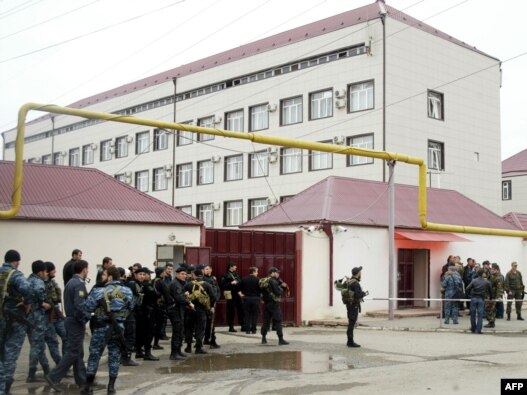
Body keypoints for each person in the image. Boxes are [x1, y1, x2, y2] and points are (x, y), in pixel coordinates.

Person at [83, 265, 134, 395]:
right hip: (119, 327)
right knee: (115, 355)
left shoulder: (98, 291)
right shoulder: (127, 291)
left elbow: (88, 308)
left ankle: (88, 387)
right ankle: (111, 387)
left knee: (94, 355)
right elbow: (131, 307)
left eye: (104, 275)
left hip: (101, 327)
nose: (102, 277)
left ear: (110, 277)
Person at [45, 260, 91, 392]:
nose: (88, 271)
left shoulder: (70, 282)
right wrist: (87, 316)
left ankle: (81, 380)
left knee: (78, 352)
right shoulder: (79, 284)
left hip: (71, 320)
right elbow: (79, 305)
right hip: (76, 321)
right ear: (83, 269)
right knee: (73, 352)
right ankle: (53, 377)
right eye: (87, 269)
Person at [0, 249, 35, 394]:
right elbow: (29, 290)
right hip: (13, 320)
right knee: (11, 354)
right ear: (16, 261)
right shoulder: (15, 275)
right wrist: (27, 303)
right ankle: (5, 388)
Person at [26, 260, 52, 383]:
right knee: (36, 346)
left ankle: (47, 371)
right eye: (45, 271)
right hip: (37, 318)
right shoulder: (38, 282)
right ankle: (31, 374)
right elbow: (39, 294)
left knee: (38, 345)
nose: (46, 274)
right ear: (40, 272)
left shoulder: (27, 280)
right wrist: (43, 303)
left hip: (28, 318)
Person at [184, 269, 215, 354]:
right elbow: (213, 297)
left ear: (194, 275)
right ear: (202, 275)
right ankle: (198, 348)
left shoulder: (188, 285)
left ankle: (188, 347)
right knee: (200, 329)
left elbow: (184, 296)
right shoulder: (207, 285)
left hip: (190, 310)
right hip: (202, 310)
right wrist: (211, 306)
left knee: (189, 328)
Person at [44, 261, 67, 367]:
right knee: (53, 342)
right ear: (48, 271)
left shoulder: (53, 282)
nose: (55, 271)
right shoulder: (41, 284)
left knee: (66, 337)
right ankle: (60, 365)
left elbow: (58, 297)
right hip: (47, 318)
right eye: (53, 269)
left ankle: (64, 364)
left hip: (57, 315)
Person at [168, 267, 193, 360]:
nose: (184, 276)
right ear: (177, 274)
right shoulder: (175, 284)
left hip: (179, 309)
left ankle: (178, 351)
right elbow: (179, 298)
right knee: (177, 331)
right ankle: (174, 353)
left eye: (185, 274)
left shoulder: (180, 283)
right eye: (182, 274)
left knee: (180, 330)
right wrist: (189, 303)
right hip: (175, 310)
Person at [260, 267, 289, 346]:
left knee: (266, 321)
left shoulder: (265, 280)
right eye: (277, 272)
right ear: (272, 273)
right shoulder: (273, 281)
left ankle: (263, 338)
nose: (278, 274)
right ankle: (281, 339)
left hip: (266, 303)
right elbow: (278, 292)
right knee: (278, 321)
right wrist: (282, 287)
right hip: (274, 304)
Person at [135, 267, 159, 361]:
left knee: (140, 332)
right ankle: (147, 353)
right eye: (140, 274)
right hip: (147, 312)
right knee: (148, 332)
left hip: (142, 312)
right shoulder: (146, 285)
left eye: (144, 274)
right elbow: (155, 295)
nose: (143, 276)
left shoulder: (139, 285)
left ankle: (139, 351)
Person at [345, 266, 367, 347]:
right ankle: (350, 342)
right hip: (353, 305)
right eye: (360, 272)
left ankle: (349, 340)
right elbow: (358, 295)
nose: (361, 274)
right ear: (358, 273)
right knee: (351, 323)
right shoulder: (355, 283)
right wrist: (364, 293)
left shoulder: (350, 281)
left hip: (349, 305)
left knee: (351, 322)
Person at [466, 268, 493, 334]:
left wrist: (470, 295)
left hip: (474, 298)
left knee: (472, 314)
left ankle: (473, 328)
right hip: (481, 299)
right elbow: (490, 291)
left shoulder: (474, 281)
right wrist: (491, 298)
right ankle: (478, 330)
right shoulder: (486, 282)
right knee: (480, 315)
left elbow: (467, 289)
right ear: (483, 273)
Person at [221, 262, 245, 332]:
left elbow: (240, 283)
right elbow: (223, 286)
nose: (236, 267)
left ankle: (242, 325)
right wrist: (231, 283)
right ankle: (231, 326)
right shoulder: (225, 275)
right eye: (235, 266)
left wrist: (241, 291)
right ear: (230, 267)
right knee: (231, 311)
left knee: (241, 310)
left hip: (238, 294)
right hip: (230, 294)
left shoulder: (237, 274)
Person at [202, 264, 221, 348]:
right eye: (205, 269)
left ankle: (209, 339)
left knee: (211, 323)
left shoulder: (213, 279)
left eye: (208, 269)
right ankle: (210, 340)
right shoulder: (203, 279)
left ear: (211, 270)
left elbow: (217, 289)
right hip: (207, 303)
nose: (207, 270)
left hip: (213, 302)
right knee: (208, 323)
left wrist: (216, 298)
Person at [238, 266, 261, 334]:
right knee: (255, 315)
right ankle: (253, 330)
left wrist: (240, 294)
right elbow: (262, 290)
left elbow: (238, 287)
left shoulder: (244, 279)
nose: (257, 273)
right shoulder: (258, 280)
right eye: (257, 271)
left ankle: (247, 330)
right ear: (253, 272)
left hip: (246, 299)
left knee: (247, 315)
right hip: (256, 299)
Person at [484, 263, 504, 328]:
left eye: (494, 269)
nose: (492, 270)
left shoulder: (498, 277)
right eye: (492, 269)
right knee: (489, 308)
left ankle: (491, 322)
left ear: (497, 270)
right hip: (489, 295)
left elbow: (500, 288)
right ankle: (491, 321)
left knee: (491, 309)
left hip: (493, 296)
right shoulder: (492, 275)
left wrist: (499, 296)